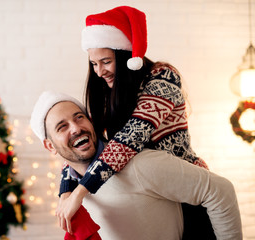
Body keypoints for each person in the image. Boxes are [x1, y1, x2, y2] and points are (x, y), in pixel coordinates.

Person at [57, 6, 215, 239]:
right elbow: (86, 146)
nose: (99, 71)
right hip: (148, 196)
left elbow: (131, 137)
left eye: (106, 61)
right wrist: (65, 192)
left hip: (185, 193)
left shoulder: (163, 76)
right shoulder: (109, 93)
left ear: (125, 56)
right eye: (93, 63)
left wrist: (80, 191)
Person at [29, 91, 242, 240]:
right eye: (62, 126)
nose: (76, 128)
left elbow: (221, 191)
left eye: (79, 117)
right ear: (50, 146)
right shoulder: (70, 190)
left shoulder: (139, 165)